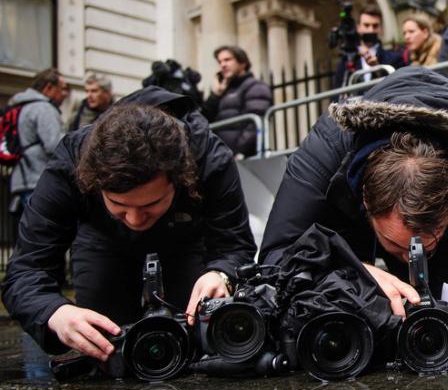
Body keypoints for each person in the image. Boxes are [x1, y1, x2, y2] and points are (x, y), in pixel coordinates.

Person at [1, 87, 257, 362]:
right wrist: (54, 311)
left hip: (186, 238)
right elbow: (25, 270)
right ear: (92, 183)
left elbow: (234, 244)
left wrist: (221, 273)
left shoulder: (210, 158)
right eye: (120, 205)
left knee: (195, 335)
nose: (135, 219)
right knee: (106, 342)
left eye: (149, 204)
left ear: (181, 178)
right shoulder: (70, 163)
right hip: (102, 238)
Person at [259, 67, 448, 316]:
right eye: (399, 246)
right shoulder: (326, 149)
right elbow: (275, 259)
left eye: (427, 246)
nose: (414, 258)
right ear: (365, 199)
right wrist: (351, 274)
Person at [9, 68, 69, 214]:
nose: (65, 94)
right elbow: (55, 145)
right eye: (62, 89)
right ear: (49, 87)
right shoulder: (44, 108)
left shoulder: (20, 106)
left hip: (21, 180)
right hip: (40, 181)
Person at [202, 45, 272, 158]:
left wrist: (238, 152)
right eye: (219, 62)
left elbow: (253, 125)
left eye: (227, 60)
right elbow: (202, 120)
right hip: (220, 157)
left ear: (242, 62)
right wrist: (215, 95)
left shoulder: (255, 87)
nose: (222, 65)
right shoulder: (222, 91)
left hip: (241, 158)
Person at [333, 3, 405, 88]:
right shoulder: (346, 61)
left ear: (380, 28)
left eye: (375, 26)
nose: (371, 30)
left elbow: (399, 88)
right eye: (366, 25)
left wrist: (378, 69)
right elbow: (336, 95)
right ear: (358, 27)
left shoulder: (395, 59)